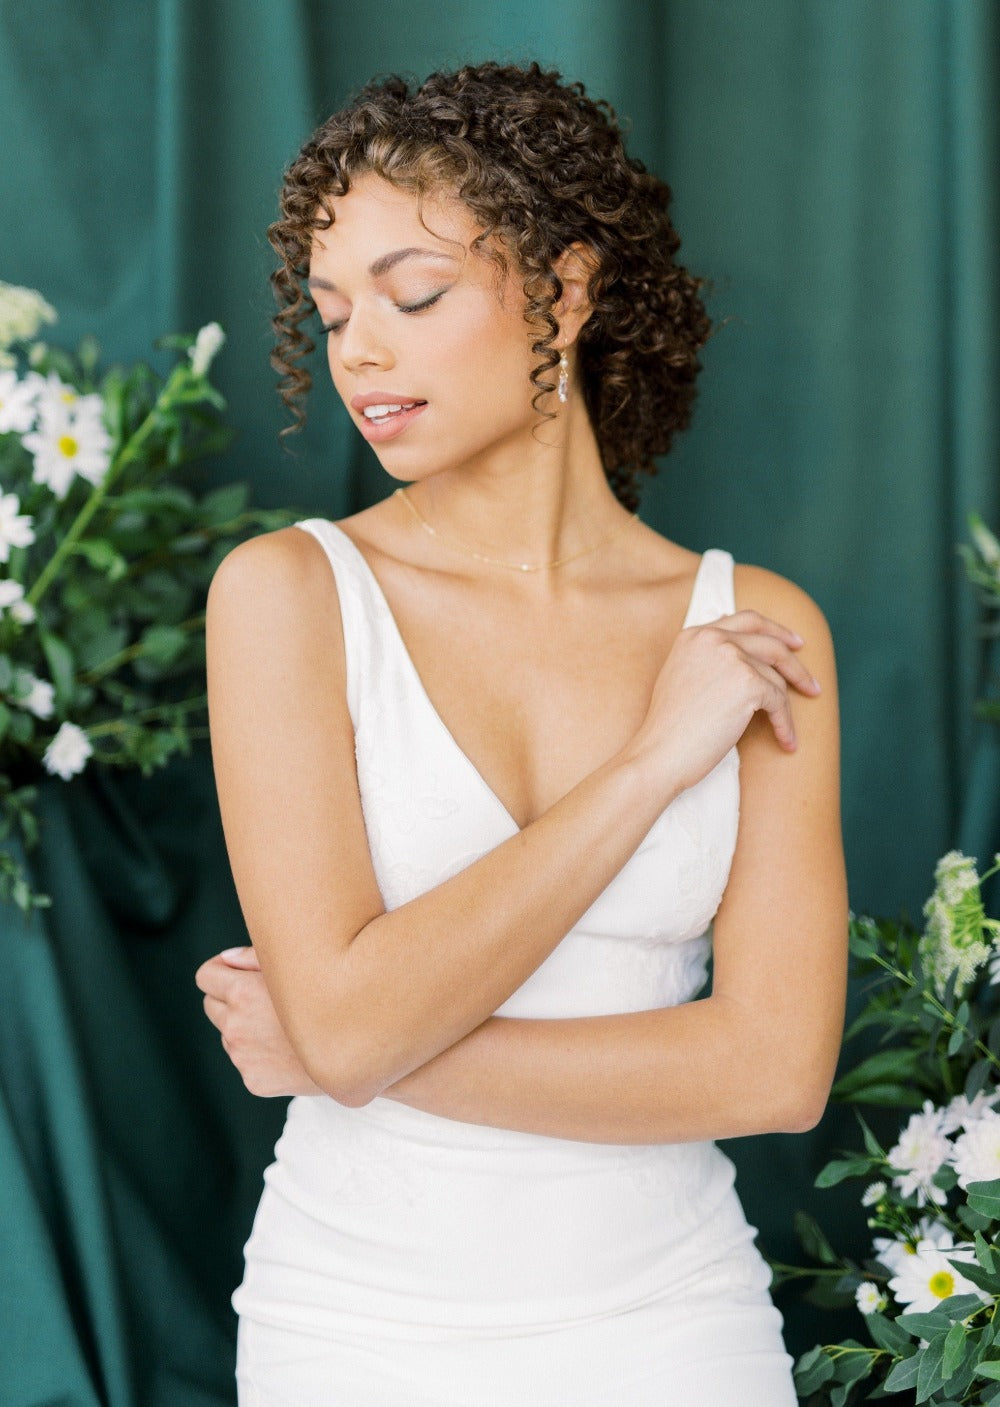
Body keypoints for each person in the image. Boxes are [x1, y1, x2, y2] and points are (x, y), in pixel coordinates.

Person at [195, 61, 847, 1406]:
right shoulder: (289, 599)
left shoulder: (758, 627)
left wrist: (347, 1047)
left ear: (565, 288)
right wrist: (652, 761)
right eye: (331, 312)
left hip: (678, 1320)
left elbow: (776, 1070)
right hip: (357, 1326)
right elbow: (350, 1023)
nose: (359, 348)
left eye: (413, 293)